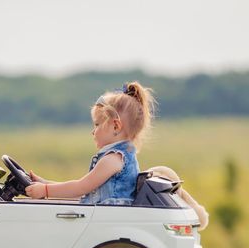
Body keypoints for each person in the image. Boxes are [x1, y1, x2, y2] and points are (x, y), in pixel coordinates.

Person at [25, 81, 154, 205]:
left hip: (107, 222)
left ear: (115, 126)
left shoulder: (113, 159)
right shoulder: (120, 158)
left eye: (97, 124)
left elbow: (80, 187)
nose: (93, 132)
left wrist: (45, 190)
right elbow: (84, 191)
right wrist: (44, 183)